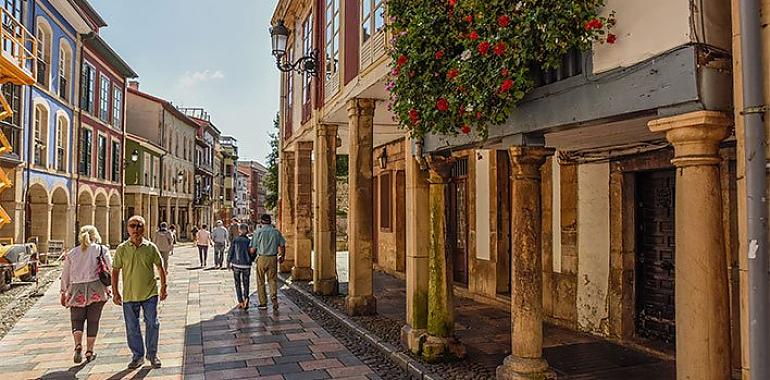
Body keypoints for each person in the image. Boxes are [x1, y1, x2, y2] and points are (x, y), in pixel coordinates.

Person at [112, 215, 167, 369]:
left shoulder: (150, 247)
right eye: (132, 226)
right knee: (132, 326)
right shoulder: (122, 249)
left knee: (153, 323)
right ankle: (137, 356)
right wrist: (115, 292)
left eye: (139, 226)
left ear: (144, 228)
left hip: (150, 293)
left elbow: (160, 267)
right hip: (129, 295)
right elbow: (115, 271)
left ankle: (152, 354)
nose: (136, 229)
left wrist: (164, 286)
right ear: (128, 228)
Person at [60, 225, 111, 364]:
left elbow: (65, 274)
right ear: (96, 235)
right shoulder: (101, 249)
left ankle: (77, 346)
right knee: (93, 321)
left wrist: (63, 291)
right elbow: (109, 268)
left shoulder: (72, 253)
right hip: (96, 288)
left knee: (77, 320)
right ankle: (89, 351)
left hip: (77, 289)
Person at [249, 214, 286, 310]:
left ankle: (263, 303)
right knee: (272, 280)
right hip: (273, 258)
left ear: (261, 222)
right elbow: (282, 245)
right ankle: (273, 298)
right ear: (270, 221)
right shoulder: (276, 232)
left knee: (260, 281)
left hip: (261, 258)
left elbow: (252, 249)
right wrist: (282, 256)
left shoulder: (258, 232)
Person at [227, 223, 254, 309]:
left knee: (237, 283)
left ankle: (240, 301)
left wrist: (228, 262)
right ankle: (246, 298)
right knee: (246, 283)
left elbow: (231, 251)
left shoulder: (235, 240)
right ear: (247, 230)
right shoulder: (249, 241)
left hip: (236, 264)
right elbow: (253, 252)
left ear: (239, 230)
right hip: (246, 265)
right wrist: (251, 260)